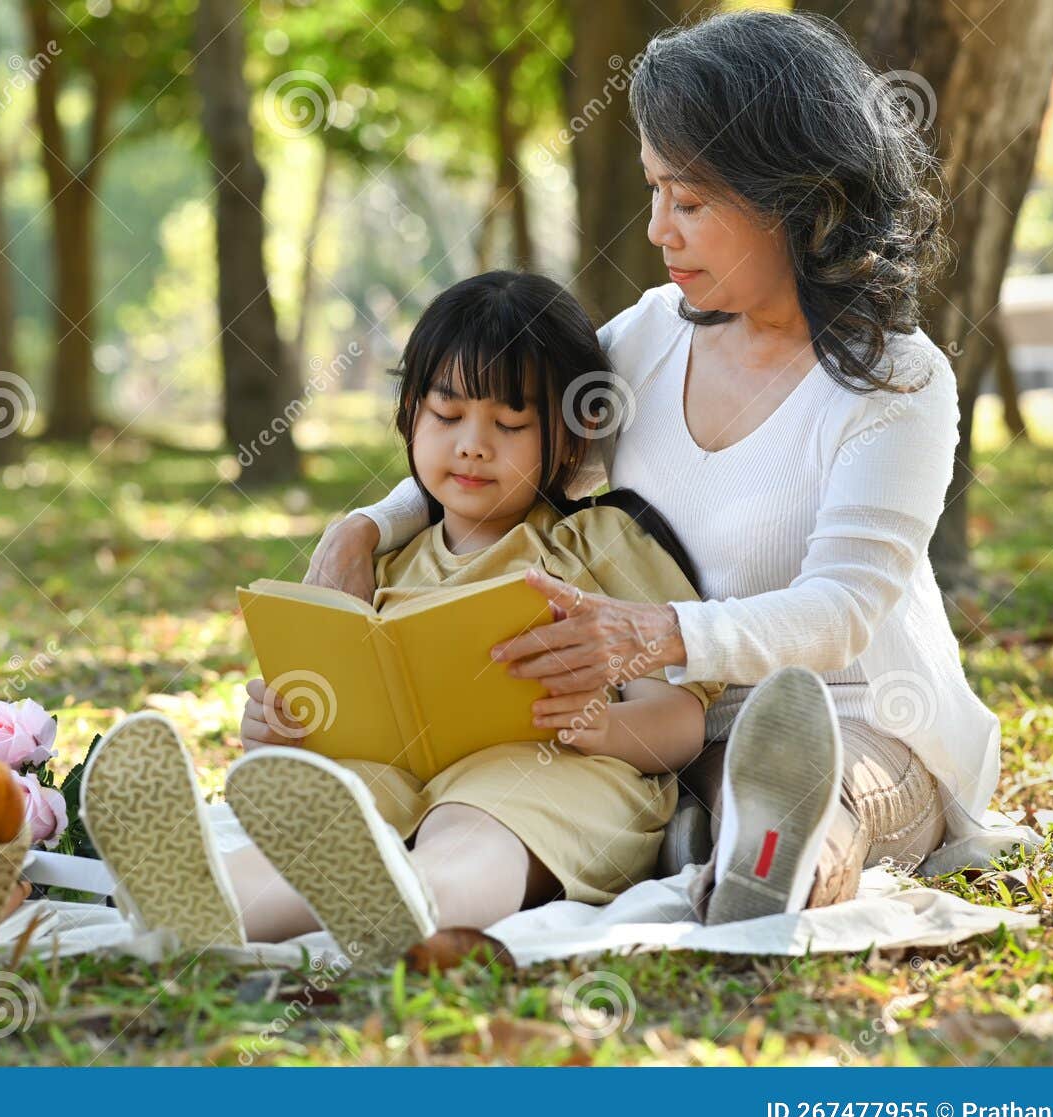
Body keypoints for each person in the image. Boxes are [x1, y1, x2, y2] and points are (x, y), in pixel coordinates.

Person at [308, 10, 1037, 927]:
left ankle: (768, 861)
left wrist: (651, 633)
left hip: (851, 718)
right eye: (655, 192)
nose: (658, 228)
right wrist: (364, 529)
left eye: (688, 202)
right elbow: (510, 449)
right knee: (551, 789)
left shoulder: (896, 381)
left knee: (805, 794)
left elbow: (840, 610)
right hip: (654, 725)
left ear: (797, 200)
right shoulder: (649, 338)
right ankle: (685, 841)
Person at [78, 271, 726, 965]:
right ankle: (189, 902)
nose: (472, 444)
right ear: (410, 416)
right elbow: (329, 711)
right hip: (401, 781)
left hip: (556, 773)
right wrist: (277, 727)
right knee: (343, 810)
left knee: (474, 826)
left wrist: (605, 726)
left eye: (508, 425)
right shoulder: (385, 564)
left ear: (568, 441)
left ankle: (415, 902)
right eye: (447, 416)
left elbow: (682, 723)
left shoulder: (601, 544)